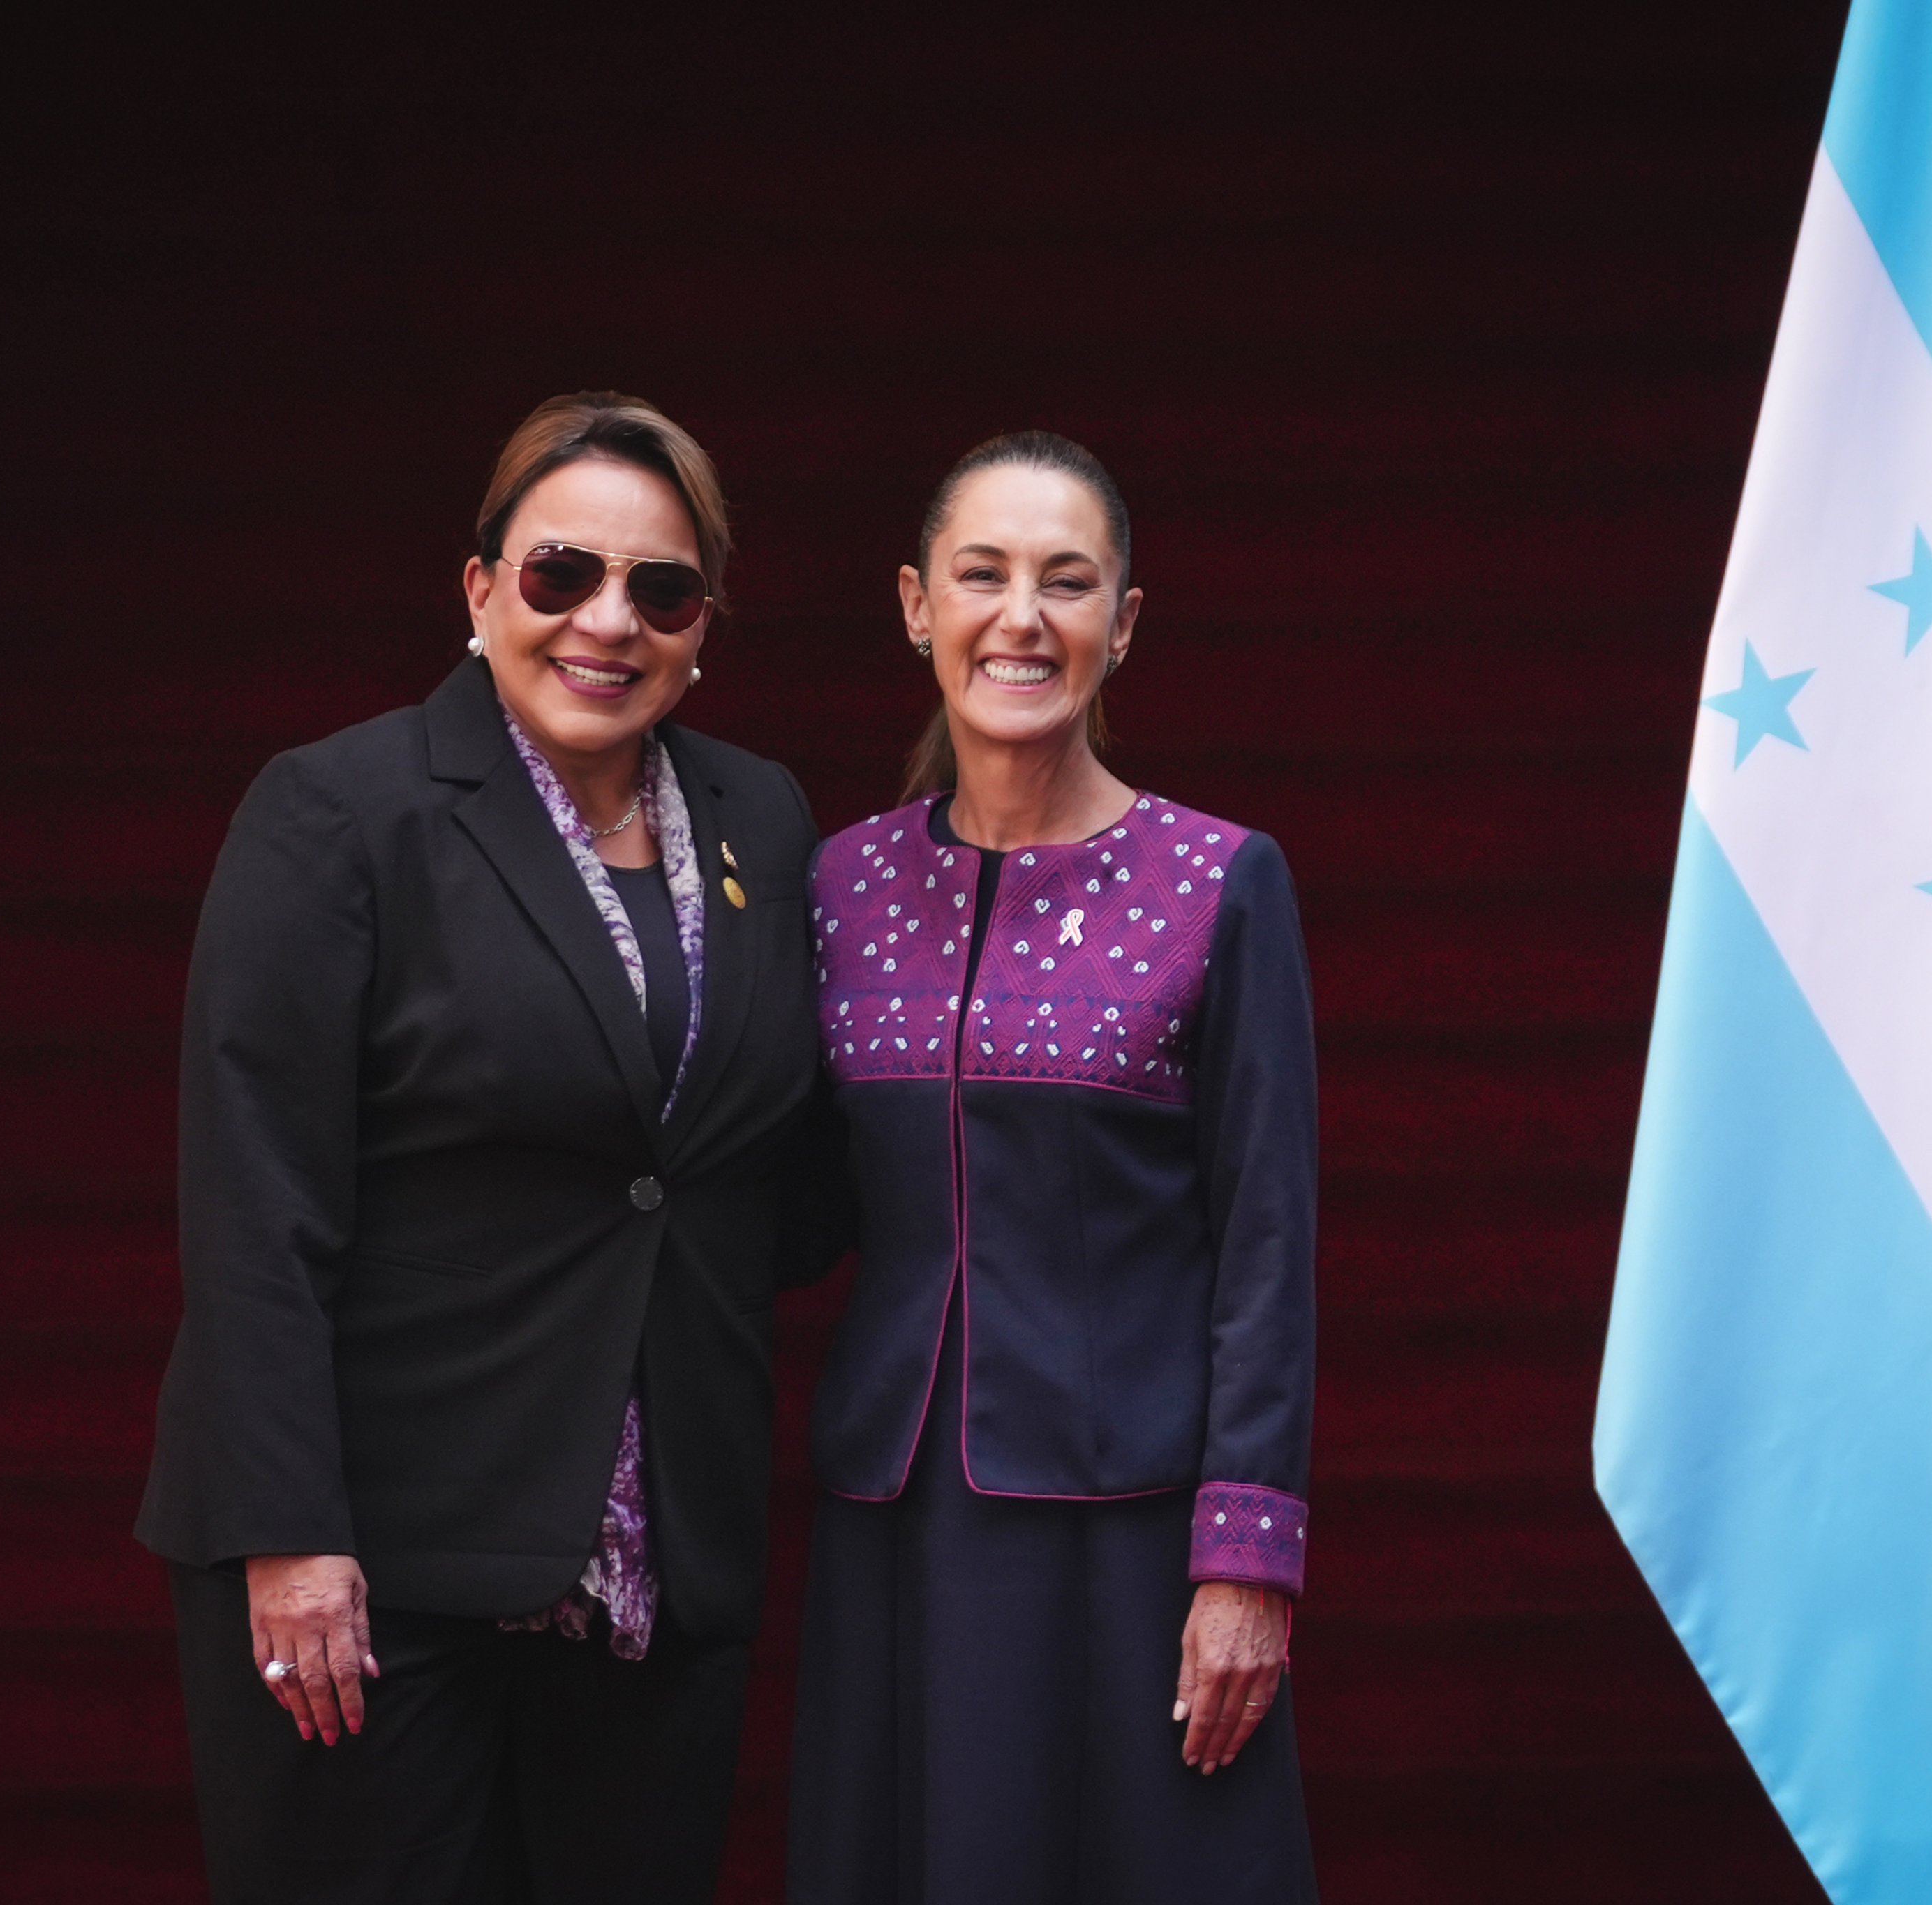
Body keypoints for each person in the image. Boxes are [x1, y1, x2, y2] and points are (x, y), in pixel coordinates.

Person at [135, 392, 835, 1903]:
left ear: (702, 620)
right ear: (477, 590)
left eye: (661, 589)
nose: (608, 620)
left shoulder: (760, 821)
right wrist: (289, 1534)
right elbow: (255, 1202)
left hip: (655, 1568)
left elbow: (751, 1171)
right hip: (372, 1567)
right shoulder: (339, 811)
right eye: (558, 572)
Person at [787, 431, 1319, 1902]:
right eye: (982, 575)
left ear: (1121, 623)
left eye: (1064, 581)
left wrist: (1246, 1563)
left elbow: (1265, 1240)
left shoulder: (1220, 879)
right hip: (891, 1526)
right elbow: (782, 1192)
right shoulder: (835, 882)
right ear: (915, 605)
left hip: (1135, 1540)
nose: (1019, 616)